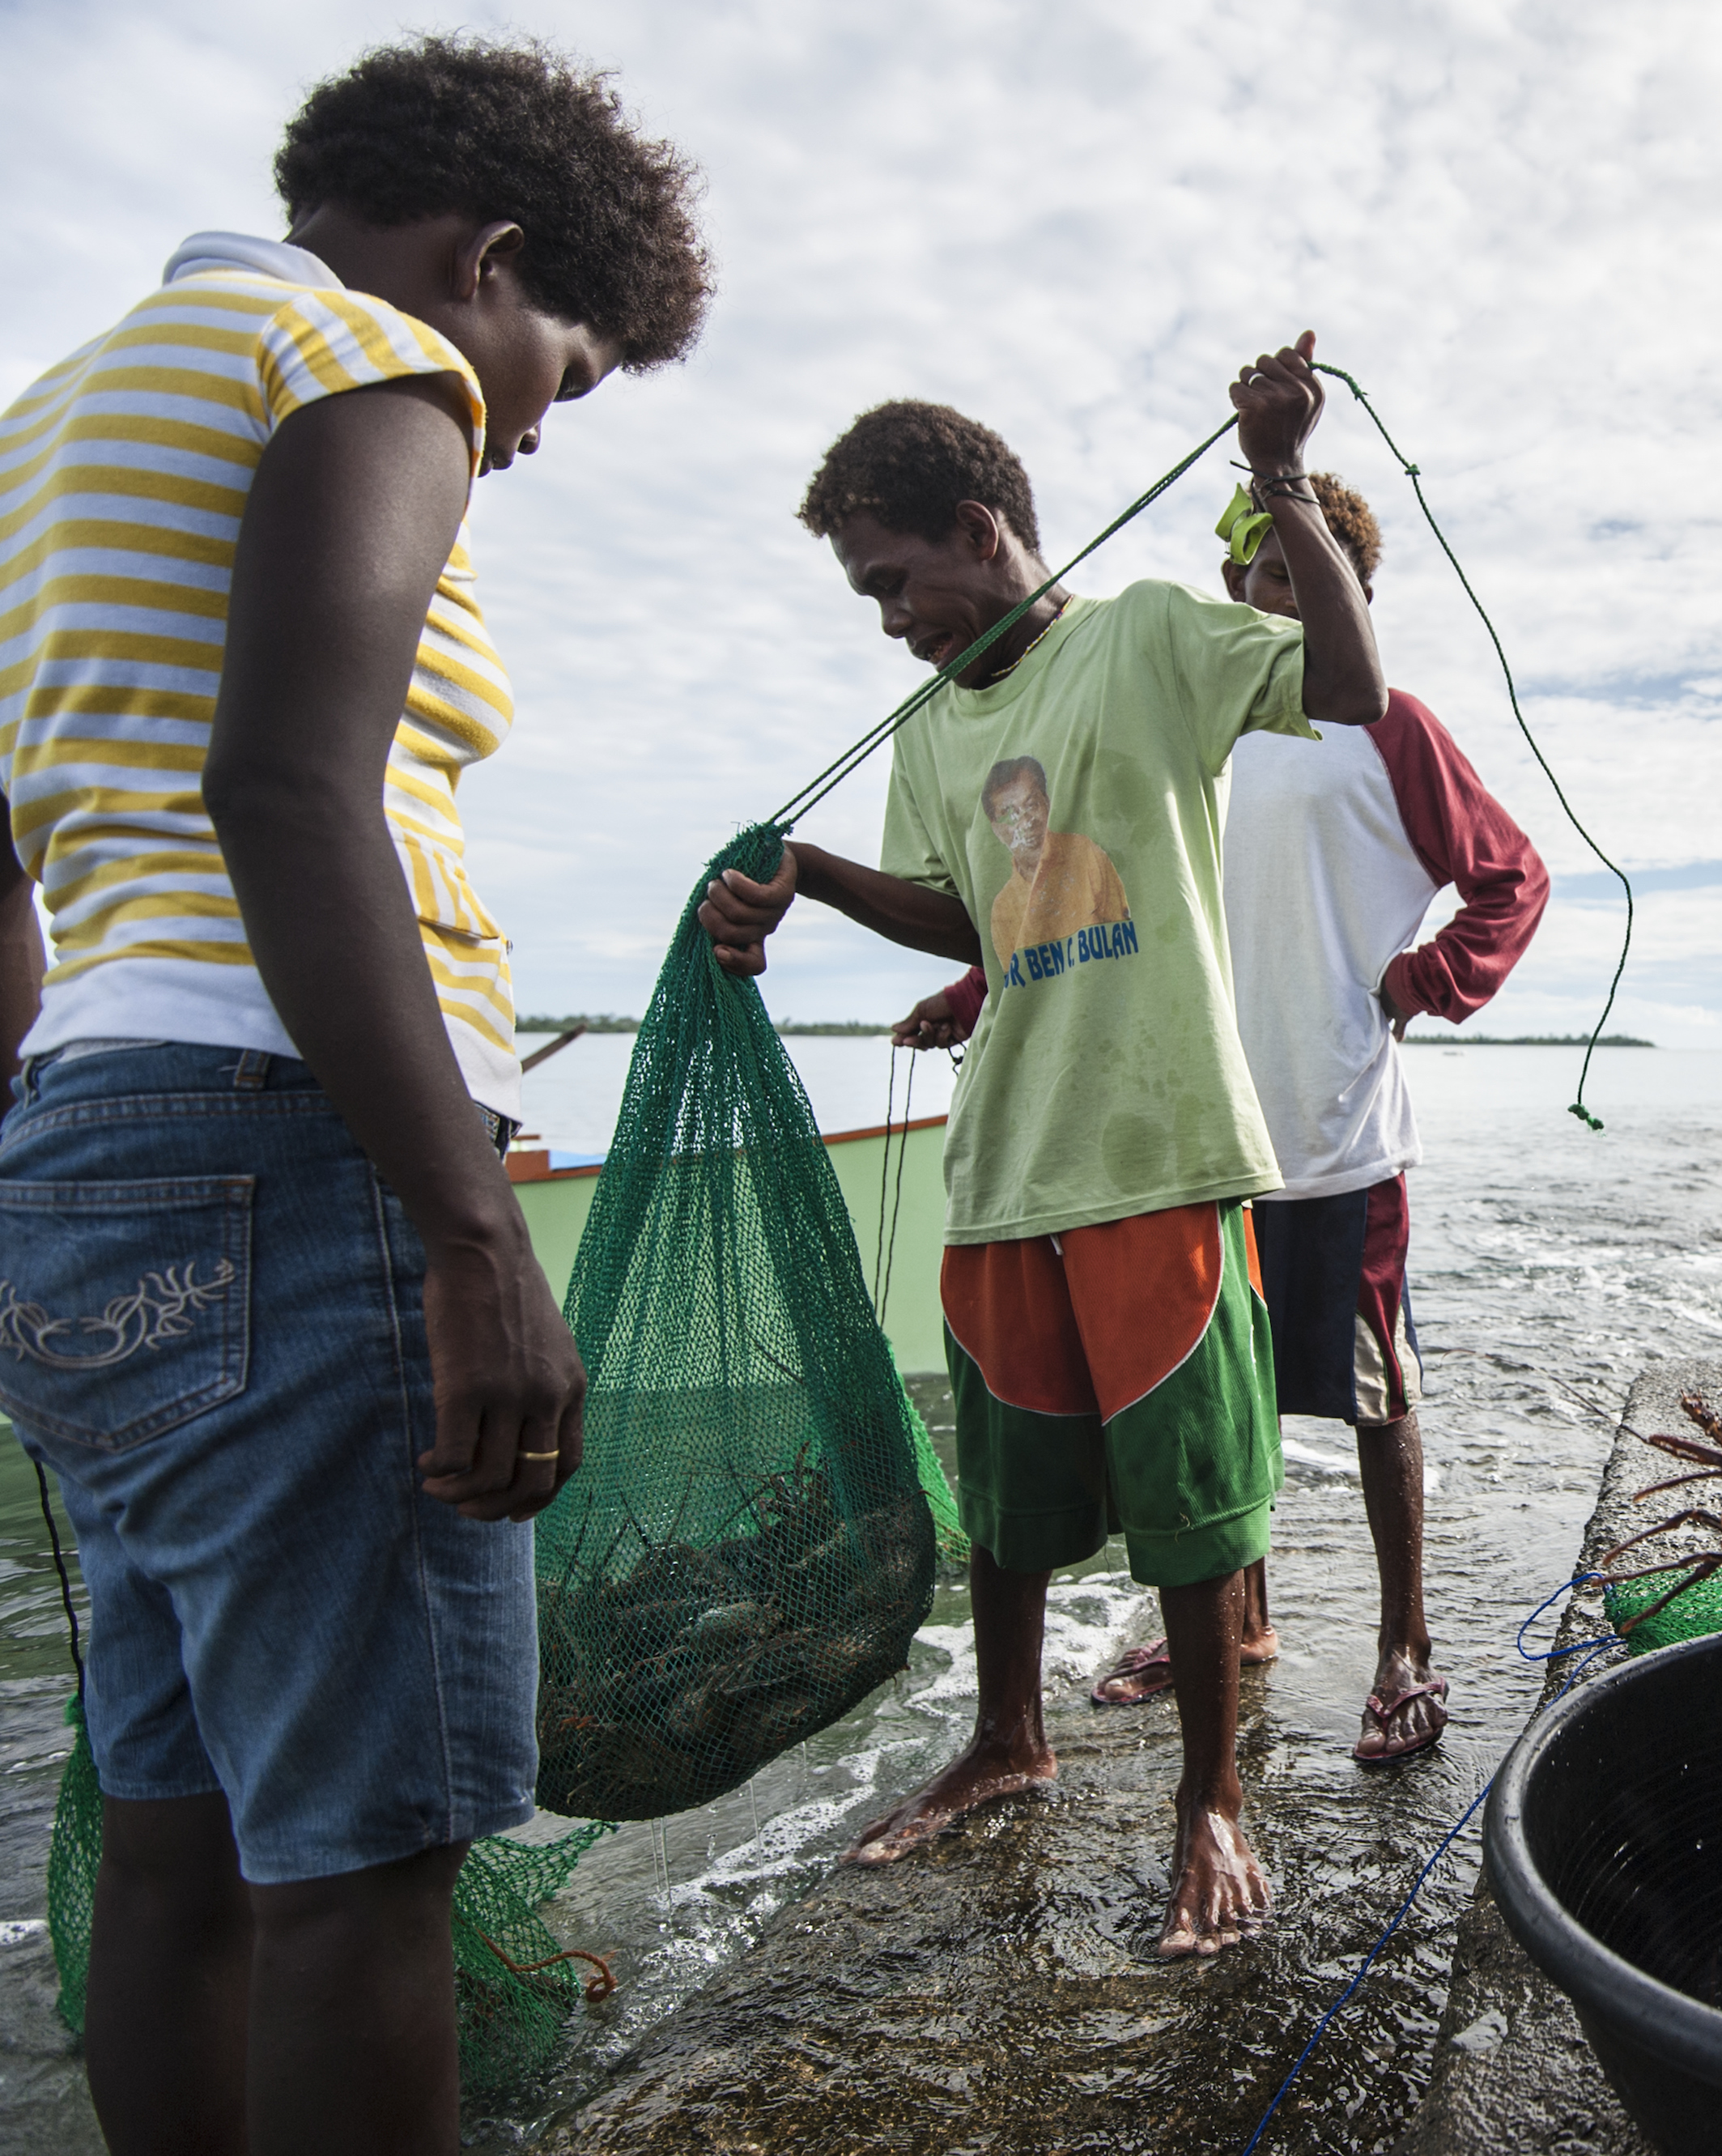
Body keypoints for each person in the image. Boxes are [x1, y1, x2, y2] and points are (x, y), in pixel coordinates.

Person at [0, 36, 710, 2154]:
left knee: (184, 1838)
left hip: (89, 1143)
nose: (519, 438)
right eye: (553, 376)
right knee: (371, 1868)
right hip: (303, 1161)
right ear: (487, 261)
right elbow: (289, 786)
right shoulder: (362, 364)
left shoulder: (45, 424)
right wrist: (474, 1230)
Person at [697, 348, 1388, 1958]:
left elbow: (1347, 689)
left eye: (894, 581)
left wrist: (1282, 481)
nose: (890, 620)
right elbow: (970, 918)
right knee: (1004, 1501)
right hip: (1006, 1156)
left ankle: (1209, 1799)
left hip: (1156, 1146)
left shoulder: (1148, 634)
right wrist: (810, 873)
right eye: (869, 599)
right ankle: (1008, 1736)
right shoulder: (935, 728)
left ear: (977, 524)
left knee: (1198, 1505)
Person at [898, 474, 1550, 1767]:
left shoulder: (1386, 728)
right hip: (1184, 1140)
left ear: (1344, 590)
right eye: (1250, 576)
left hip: (1328, 1122)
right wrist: (977, 992)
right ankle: (1238, 1625)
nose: (1267, 596)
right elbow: (1097, 895)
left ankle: (1403, 1642)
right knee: (1213, 1408)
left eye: (1298, 576)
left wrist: (1418, 985)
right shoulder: (1191, 712)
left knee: (1372, 1395)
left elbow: (1511, 878)